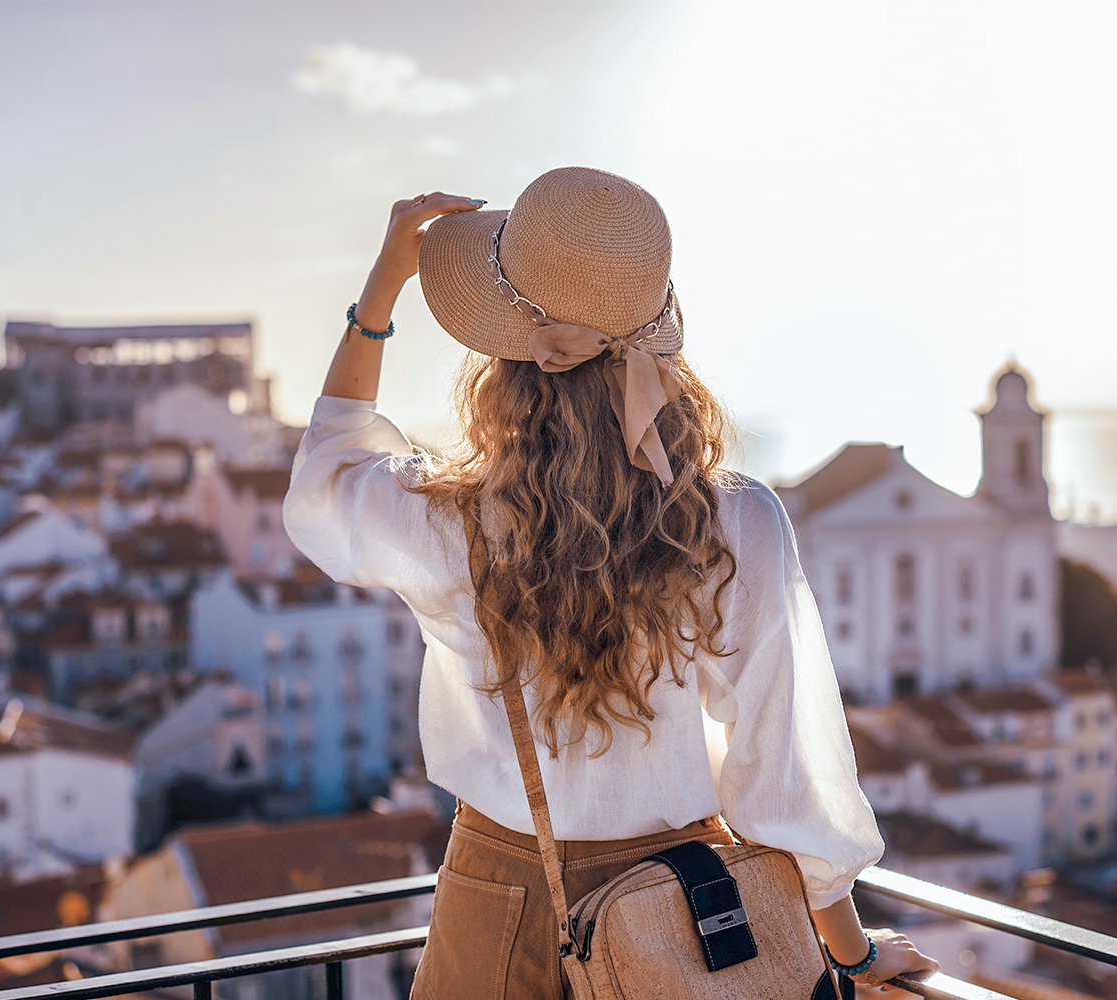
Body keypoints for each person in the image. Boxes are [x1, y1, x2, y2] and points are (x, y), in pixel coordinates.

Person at [283, 167, 939, 998]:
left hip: (501, 899)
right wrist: (845, 950)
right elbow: (783, 770)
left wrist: (379, 294)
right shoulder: (736, 523)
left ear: (504, 361)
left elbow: (325, 480)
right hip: (685, 908)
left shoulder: (445, 520)